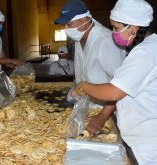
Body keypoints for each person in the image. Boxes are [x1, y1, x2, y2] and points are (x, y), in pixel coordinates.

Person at [73, 0, 157, 164]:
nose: (113, 33)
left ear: (133, 27)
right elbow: (123, 88)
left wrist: (83, 86)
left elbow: (114, 91)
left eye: (116, 28)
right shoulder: (145, 48)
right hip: (139, 139)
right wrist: (103, 116)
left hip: (153, 148)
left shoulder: (147, 52)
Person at [54, 0, 125, 130]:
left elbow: (121, 86)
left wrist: (102, 117)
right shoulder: (79, 37)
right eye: (65, 25)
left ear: (84, 20)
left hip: (106, 111)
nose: (66, 29)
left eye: (69, 24)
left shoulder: (106, 41)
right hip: (88, 106)